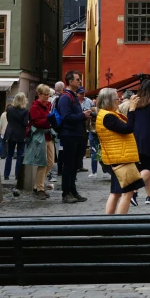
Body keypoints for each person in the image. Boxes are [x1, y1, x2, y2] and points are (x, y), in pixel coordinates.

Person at [95, 87, 144, 214]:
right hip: (120, 158)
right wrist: (132, 109)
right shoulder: (108, 117)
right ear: (109, 101)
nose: (119, 100)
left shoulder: (105, 114)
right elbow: (128, 128)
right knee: (127, 192)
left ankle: (109, 223)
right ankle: (119, 223)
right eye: (117, 99)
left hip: (118, 157)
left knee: (116, 192)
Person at [58, 70, 91, 204]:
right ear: (70, 82)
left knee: (74, 165)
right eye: (78, 79)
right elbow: (66, 117)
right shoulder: (66, 97)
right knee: (68, 165)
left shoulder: (73, 96)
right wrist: (83, 115)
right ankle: (66, 193)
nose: (80, 81)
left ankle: (73, 190)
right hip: (69, 135)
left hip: (77, 135)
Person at [25, 85, 55, 199]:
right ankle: (40, 189)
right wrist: (50, 120)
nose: (47, 97)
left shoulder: (48, 105)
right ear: (39, 94)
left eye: (48, 94)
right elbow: (37, 122)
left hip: (48, 135)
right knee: (42, 163)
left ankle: (37, 186)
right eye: (45, 94)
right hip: (40, 136)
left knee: (50, 162)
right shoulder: (34, 107)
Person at [3, 93, 30, 181]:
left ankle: (6, 175)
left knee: (9, 154)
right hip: (20, 134)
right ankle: (17, 175)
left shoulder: (9, 109)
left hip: (10, 133)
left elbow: (8, 119)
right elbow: (25, 123)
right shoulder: (25, 111)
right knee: (19, 155)